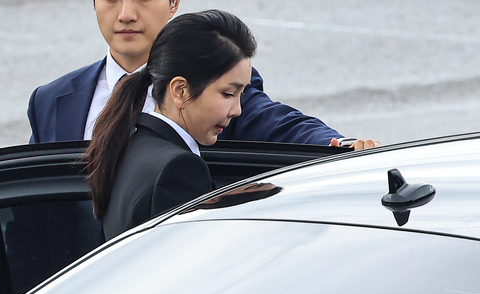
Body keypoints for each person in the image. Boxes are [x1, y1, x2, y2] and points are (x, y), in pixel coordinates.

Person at [27, 0, 379, 149]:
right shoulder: (51, 101)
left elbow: (277, 123)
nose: (125, 14)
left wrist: (339, 146)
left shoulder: (214, 82)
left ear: (173, 3)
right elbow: (30, 217)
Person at [87, 9, 256, 240]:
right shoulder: (179, 168)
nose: (237, 110)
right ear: (180, 90)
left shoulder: (130, 144)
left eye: (241, 94)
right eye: (228, 93)